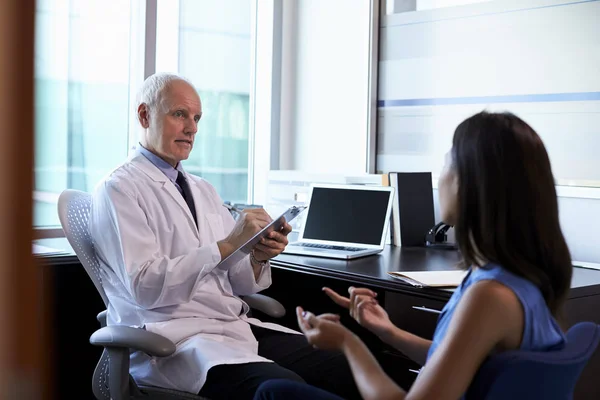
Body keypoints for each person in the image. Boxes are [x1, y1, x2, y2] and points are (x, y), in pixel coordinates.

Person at [253, 111, 573, 400]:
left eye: (448, 160)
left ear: (472, 183)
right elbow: (456, 359)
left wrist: (350, 345)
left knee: (273, 392)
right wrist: (387, 331)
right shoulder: (520, 278)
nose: (441, 174)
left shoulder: (489, 296)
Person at [89, 72, 360, 400]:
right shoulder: (118, 189)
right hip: (174, 342)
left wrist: (258, 255)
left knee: (349, 367)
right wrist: (229, 243)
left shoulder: (204, 189)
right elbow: (145, 288)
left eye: (197, 118)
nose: (192, 128)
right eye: (180, 114)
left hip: (231, 329)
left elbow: (236, 281)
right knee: (284, 390)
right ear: (145, 115)